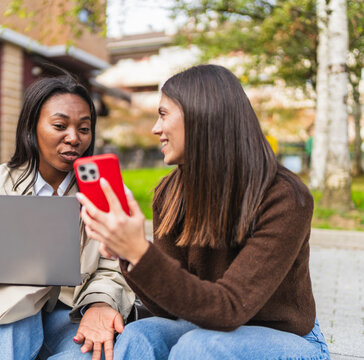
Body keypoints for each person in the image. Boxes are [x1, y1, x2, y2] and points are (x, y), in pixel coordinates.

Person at [76, 64, 330, 360]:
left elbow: (229, 308)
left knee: (198, 347)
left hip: (286, 339)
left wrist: (142, 253)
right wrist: (129, 255)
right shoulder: (170, 193)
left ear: (201, 115)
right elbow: (169, 307)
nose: (156, 129)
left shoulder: (284, 196)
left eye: (163, 114)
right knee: (139, 335)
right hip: (206, 326)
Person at [0, 75, 135, 360]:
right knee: (10, 316)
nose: (74, 138)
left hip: (73, 312)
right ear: (32, 128)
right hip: (11, 307)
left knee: (88, 352)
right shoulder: (0, 182)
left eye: (84, 128)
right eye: (59, 126)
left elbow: (115, 269)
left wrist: (101, 303)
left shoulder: (107, 191)